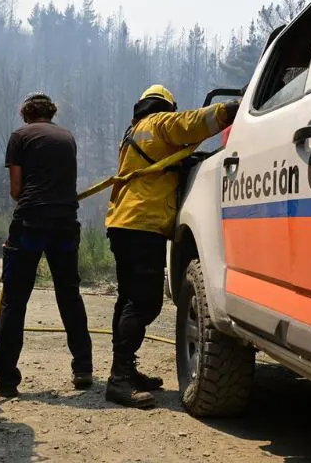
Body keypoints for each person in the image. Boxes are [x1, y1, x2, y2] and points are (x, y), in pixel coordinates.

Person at [104, 84, 239, 409]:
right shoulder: (160, 123)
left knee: (127, 300)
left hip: (124, 223)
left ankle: (124, 371)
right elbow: (192, 123)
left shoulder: (134, 132)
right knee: (145, 303)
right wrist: (231, 109)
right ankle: (119, 381)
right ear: (163, 106)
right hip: (142, 225)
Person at [0, 93, 93, 397]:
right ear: (51, 114)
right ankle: (84, 368)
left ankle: (7, 381)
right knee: (69, 294)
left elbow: (16, 190)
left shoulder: (20, 136)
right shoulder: (67, 137)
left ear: (24, 114)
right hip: (64, 222)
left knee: (15, 299)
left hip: (31, 222)